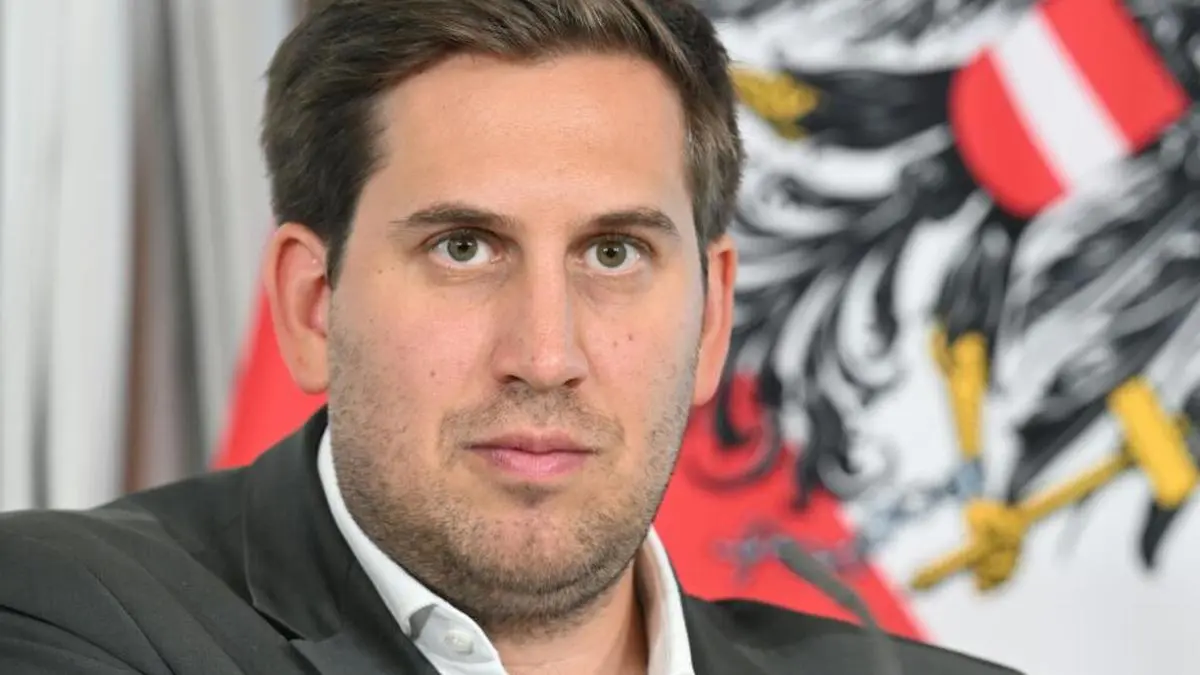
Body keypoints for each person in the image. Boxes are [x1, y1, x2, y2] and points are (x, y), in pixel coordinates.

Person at [0, 1, 1020, 673]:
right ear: (313, 305)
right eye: (463, 248)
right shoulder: (63, 614)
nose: (544, 355)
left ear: (712, 319)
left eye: (613, 253)